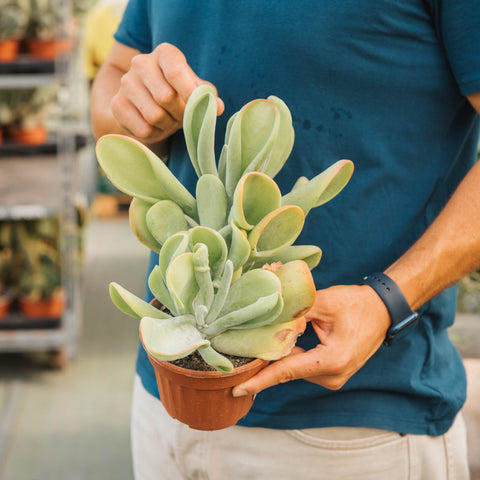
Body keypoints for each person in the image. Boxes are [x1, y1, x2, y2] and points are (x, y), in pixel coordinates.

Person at [91, 2, 480, 479]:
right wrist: (139, 106)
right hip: (168, 395)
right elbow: (112, 80)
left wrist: (388, 301)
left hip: (354, 429)